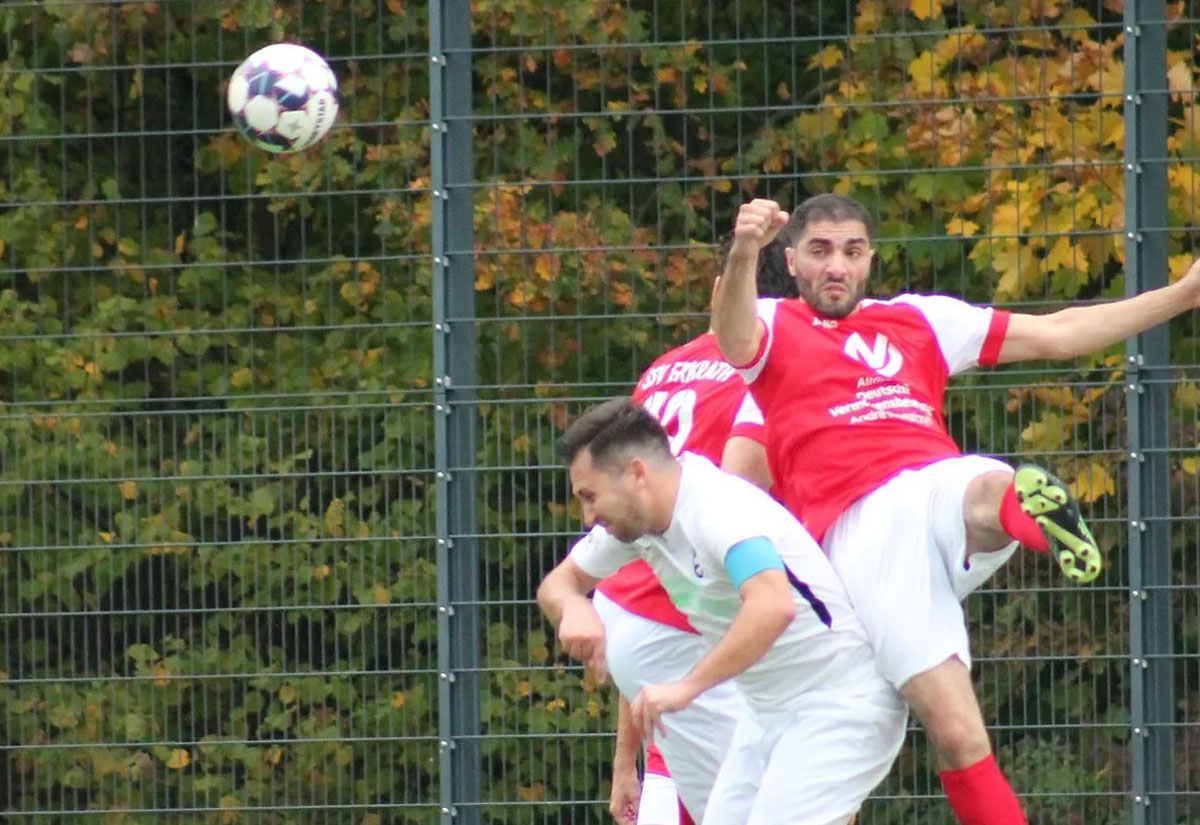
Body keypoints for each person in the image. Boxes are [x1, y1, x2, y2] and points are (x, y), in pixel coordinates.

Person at [711, 192, 1200, 825]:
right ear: (792, 261)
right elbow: (731, 335)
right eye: (820, 251)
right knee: (959, 735)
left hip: (934, 483)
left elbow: (1058, 334)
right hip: (863, 529)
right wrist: (744, 251)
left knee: (984, 481)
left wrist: (1183, 294)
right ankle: (1026, 514)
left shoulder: (920, 318)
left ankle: (1033, 514)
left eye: (852, 252)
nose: (836, 267)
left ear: (870, 259)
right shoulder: (774, 323)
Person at [537, 399, 907, 825]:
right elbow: (557, 583)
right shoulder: (639, 524)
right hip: (765, 713)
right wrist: (573, 607)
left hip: (839, 704)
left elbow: (773, 605)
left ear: (637, 474)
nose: (588, 517)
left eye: (590, 497)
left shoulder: (718, 508)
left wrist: (686, 687)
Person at [574, 238, 799, 825]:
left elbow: (651, 544)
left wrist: (626, 758)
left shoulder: (664, 369)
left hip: (636, 612)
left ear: (722, 292)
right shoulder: (777, 370)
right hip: (690, 625)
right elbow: (728, 515)